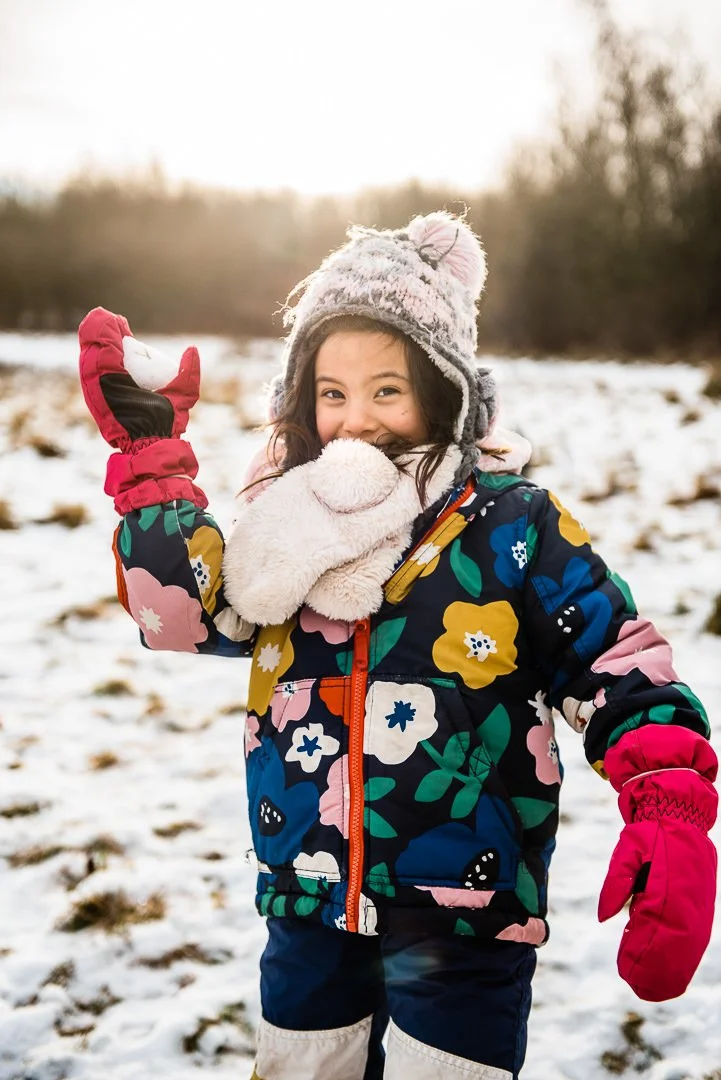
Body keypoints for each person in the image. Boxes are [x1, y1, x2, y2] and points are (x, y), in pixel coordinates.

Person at [78, 212, 717, 1080]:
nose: (355, 420)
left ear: (444, 391)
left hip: (465, 910)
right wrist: (153, 464)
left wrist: (664, 794)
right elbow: (181, 616)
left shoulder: (507, 523)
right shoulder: (287, 522)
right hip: (306, 894)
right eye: (331, 393)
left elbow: (610, 654)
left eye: (387, 390)